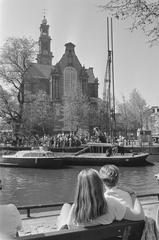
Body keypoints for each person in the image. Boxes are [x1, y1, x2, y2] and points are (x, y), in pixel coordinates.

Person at [57, 168, 145, 230]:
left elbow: (69, 228)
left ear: (80, 188)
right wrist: (133, 195)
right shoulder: (111, 203)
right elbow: (140, 216)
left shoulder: (76, 209)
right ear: (99, 184)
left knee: (66, 206)